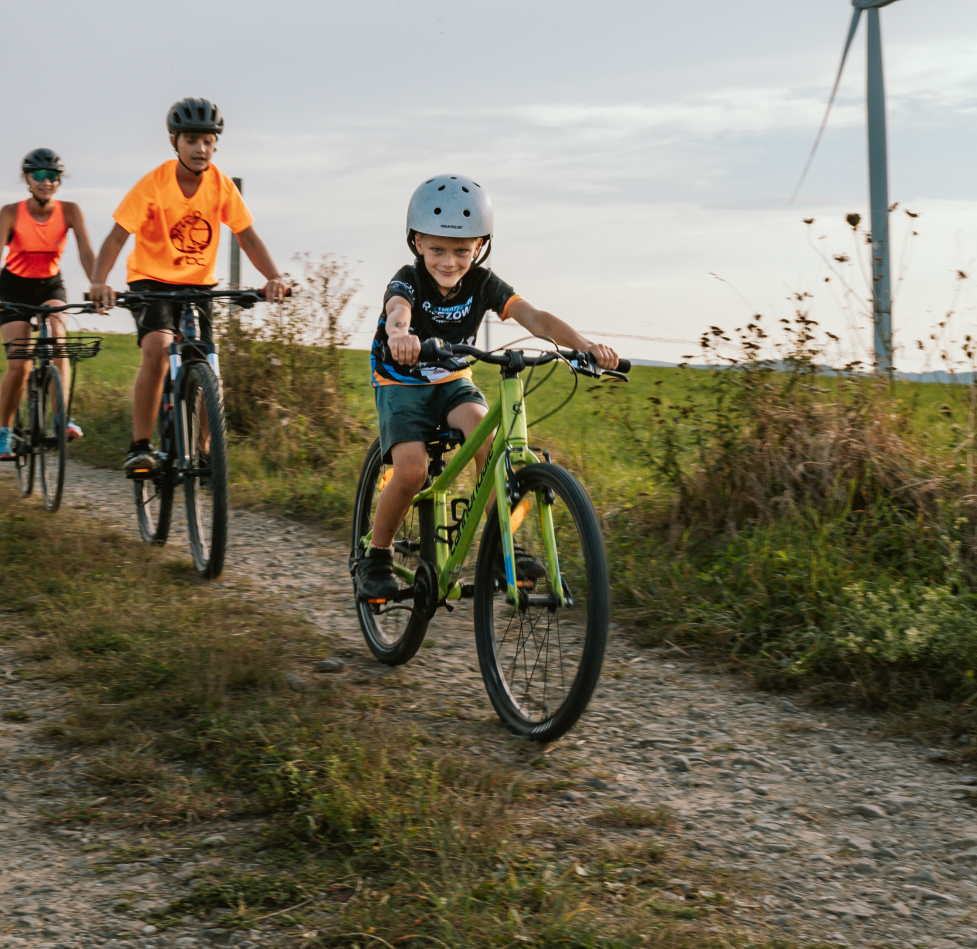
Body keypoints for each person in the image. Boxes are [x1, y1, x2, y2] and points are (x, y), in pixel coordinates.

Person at [355, 172, 618, 604]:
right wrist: (400, 335)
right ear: (417, 243)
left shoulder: (482, 284)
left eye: (462, 250)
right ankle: (376, 557)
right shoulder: (409, 279)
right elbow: (397, 308)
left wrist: (586, 347)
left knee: (489, 440)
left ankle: (501, 548)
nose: (449, 261)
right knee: (411, 470)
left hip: (454, 381)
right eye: (436, 248)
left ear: (480, 247)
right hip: (402, 383)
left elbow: (535, 319)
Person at [88, 97, 292, 475]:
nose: (201, 149)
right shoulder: (154, 184)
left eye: (208, 141)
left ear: (216, 144)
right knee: (158, 348)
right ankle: (140, 445)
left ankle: (202, 450)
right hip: (151, 281)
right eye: (192, 140)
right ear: (174, 141)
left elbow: (247, 237)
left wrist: (273, 277)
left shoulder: (220, 185)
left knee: (204, 363)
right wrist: (99, 281)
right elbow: (117, 238)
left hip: (198, 286)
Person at [0, 148, 97, 458]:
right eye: (39, 176)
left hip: (49, 284)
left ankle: (60, 418)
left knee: (59, 342)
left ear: (59, 181)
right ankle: (2, 431)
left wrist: (97, 285)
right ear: (27, 179)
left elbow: (86, 251)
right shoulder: (10, 213)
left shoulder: (70, 211)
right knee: (20, 364)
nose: (46, 182)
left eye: (53, 177)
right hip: (14, 287)